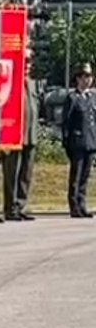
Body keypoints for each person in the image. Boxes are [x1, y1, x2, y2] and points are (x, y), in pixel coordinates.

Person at [5, 56, 40, 221]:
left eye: (29, 64)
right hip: (16, 135)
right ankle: (10, 207)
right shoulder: (12, 82)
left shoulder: (32, 84)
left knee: (26, 174)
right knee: (12, 173)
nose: (27, 66)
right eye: (24, 63)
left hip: (31, 135)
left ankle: (20, 205)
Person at [62, 62, 96, 218]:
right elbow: (66, 122)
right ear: (77, 79)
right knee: (76, 176)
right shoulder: (72, 98)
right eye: (83, 77)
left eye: (89, 76)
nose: (87, 80)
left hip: (90, 142)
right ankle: (74, 205)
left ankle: (82, 205)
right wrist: (66, 143)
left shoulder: (92, 98)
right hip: (76, 142)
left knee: (84, 177)